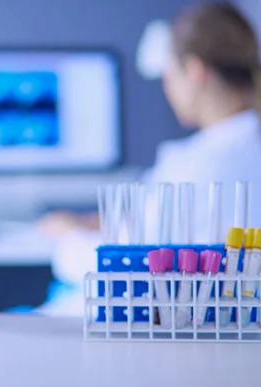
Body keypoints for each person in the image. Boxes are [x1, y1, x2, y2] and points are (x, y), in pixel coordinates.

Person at [38, 2, 261, 315]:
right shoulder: (232, 149)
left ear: (195, 71)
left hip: (158, 320)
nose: (167, 88)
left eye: (170, 74)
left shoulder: (205, 165)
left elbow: (129, 268)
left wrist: (67, 236)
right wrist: (99, 222)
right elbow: (153, 220)